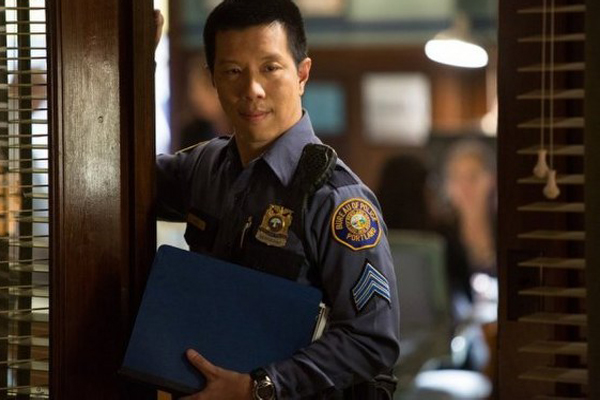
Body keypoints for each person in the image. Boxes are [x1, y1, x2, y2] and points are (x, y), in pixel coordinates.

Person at [154, 1, 400, 399]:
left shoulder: (337, 198)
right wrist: (138, 64)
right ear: (212, 79)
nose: (252, 89)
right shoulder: (203, 167)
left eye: (270, 68)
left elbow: (372, 340)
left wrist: (258, 388)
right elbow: (112, 184)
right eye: (233, 72)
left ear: (302, 74)